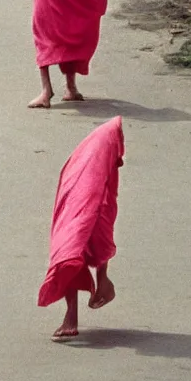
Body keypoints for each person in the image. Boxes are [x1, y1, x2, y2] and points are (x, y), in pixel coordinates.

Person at [39, 117, 124, 341]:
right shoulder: (90, 158)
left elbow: (107, 197)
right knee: (71, 252)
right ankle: (71, 314)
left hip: (98, 208)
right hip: (77, 208)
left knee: (96, 240)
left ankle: (101, 283)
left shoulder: (104, 156)